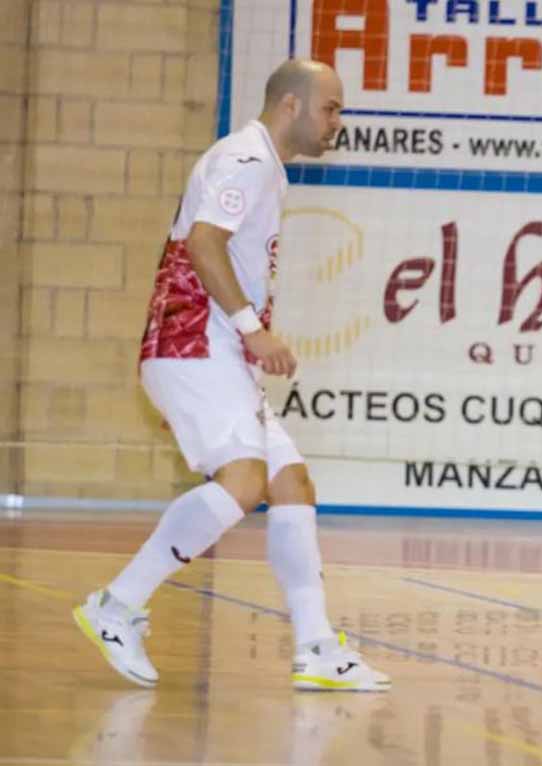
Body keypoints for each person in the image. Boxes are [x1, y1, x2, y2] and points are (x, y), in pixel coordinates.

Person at [72, 60, 390, 692]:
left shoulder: (265, 167)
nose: (338, 123)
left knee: (291, 485)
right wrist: (252, 330)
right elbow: (203, 243)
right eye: (331, 108)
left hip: (217, 352)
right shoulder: (244, 159)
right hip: (193, 341)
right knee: (244, 479)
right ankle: (117, 605)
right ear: (292, 105)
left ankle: (317, 648)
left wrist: (245, 339)